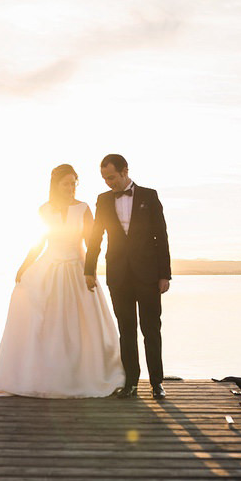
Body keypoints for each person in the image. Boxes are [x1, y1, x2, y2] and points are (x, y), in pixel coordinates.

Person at [0, 165, 125, 398]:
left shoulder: (83, 209)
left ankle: (81, 374)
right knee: (44, 322)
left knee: (80, 325)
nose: (72, 187)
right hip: (49, 269)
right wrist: (24, 266)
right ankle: (41, 373)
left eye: (74, 183)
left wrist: (90, 270)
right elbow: (39, 242)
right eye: (67, 183)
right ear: (56, 185)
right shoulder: (44, 210)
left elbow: (91, 242)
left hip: (77, 269)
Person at [85, 154, 172, 399]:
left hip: (148, 275)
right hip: (118, 275)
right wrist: (89, 270)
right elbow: (95, 237)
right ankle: (131, 383)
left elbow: (161, 237)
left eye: (111, 177)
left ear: (125, 171)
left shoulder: (149, 196)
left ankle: (157, 383)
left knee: (151, 330)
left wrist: (164, 274)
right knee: (126, 331)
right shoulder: (102, 200)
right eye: (104, 178)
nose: (108, 182)